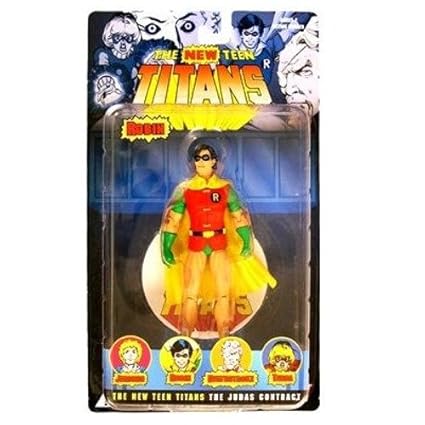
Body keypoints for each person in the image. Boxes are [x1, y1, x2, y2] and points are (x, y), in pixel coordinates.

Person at [160, 136, 277, 337]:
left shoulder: (225, 188)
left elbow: (239, 216)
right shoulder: (185, 190)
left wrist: (246, 241)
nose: (201, 162)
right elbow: (173, 220)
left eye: (205, 157)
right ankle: (186, 331)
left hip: (218, 243)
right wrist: (166, 247)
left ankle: (224, 329)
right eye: (197, 158)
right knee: (190, 291)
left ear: (214, 161)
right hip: (195, 243)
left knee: (223, 291)